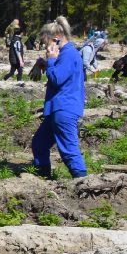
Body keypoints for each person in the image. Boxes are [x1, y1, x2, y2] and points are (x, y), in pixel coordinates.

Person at [34, 17, 88, 179]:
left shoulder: (69, 54)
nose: (45, 47)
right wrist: (47, 63)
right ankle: (43, 179)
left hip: (64, 108)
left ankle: (84, 184)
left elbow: (57, 79)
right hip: (57, 108)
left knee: (69, 150)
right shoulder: (65, 54)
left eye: (46, 43)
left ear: (55, 39)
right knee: (39, 144)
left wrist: (51, 61)